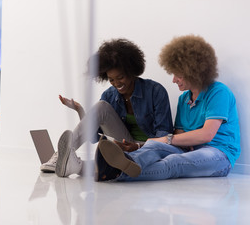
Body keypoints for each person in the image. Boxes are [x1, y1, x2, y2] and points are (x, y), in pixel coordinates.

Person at [96, 34, 241, 181]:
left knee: (173, 162)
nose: (173, 80)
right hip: (189, 149)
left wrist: (168, 139)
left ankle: (117, 172)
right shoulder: (184, 99)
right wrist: (148, 145)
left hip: (218, 154)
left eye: (178, 75)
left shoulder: (218, 92)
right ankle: (123, 162)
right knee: (154, 147)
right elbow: (179, 133)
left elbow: (206, 135)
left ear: (194, 71)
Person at [40, 38, 173, 178]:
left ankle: (77, 166)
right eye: (111, 79)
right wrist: (80, 110)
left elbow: (164, 136)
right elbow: (93, 137)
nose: (116, 83)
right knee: (101, 107)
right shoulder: (109, 95)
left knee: (107, 166)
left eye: (120, 77)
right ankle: (61, 156)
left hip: (149, 150)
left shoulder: (155, 91)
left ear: (131, 71)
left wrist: (139, 146)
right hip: (122, 147)